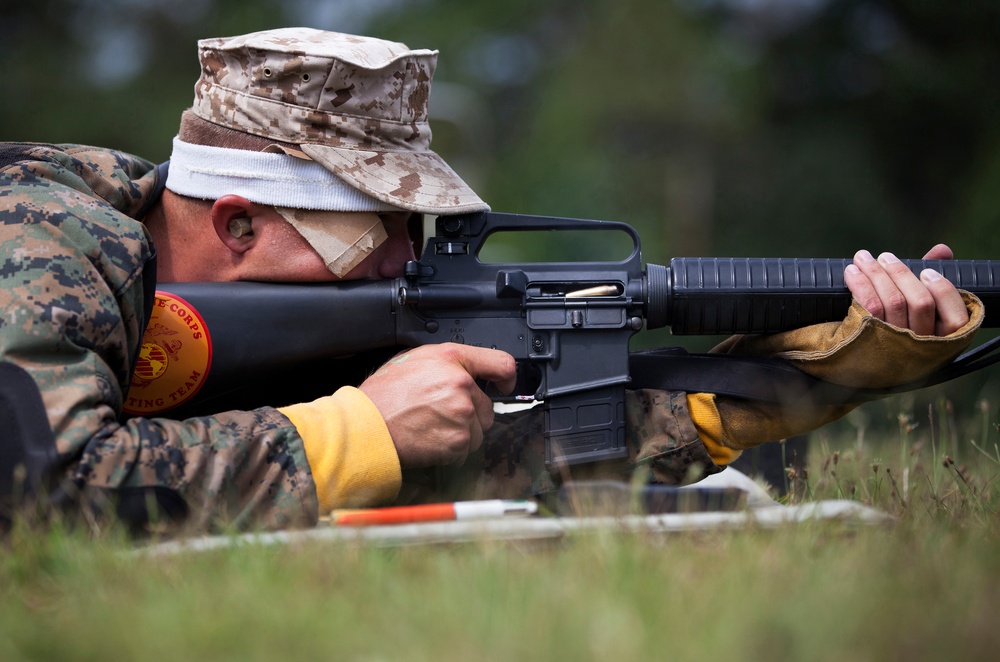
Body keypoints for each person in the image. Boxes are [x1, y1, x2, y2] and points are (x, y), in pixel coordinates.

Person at [0, 28, 983, 533]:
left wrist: (790, 379)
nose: (403, 260)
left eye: (415, 226)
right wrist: (353, 430)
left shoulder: (280, 310)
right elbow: (36, 489)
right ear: (239, 221)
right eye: (375, 232)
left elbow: (488, 464)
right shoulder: (43, 237)